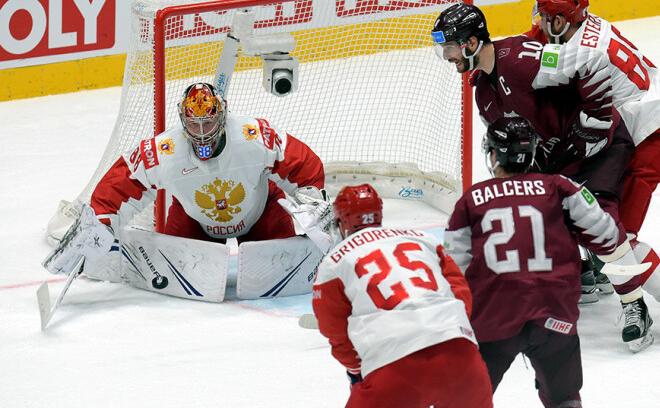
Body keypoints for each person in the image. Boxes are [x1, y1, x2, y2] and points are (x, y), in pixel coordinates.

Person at [431, 2, 653, 350]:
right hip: (561, 160)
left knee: (604, 223)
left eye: (449, 47)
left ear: (471, 43)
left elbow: (591, 62)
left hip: (599, 150)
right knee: (535, 217)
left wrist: (591, 125)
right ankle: (583, 271)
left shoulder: (521, 58)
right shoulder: (484, 93)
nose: (445, 56)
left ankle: (634, 304)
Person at [443, 117, 650, 408]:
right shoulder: (561, 188)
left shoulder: (472, 199)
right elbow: (607, 235)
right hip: (555, 316)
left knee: (463, 402)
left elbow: (453, 269)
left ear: (492, 154)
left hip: (493, 319)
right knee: (565, 399)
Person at [44, 82, 325, 292]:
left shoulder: (253, 135)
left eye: (209, 122)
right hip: (193, 219)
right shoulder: (165, 150)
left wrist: (313, 204)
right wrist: (99, 223)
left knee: (280, 278)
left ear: (223, 116)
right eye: (194, 124)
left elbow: (302, 163)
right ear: (182, 120)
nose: (202, 132)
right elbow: (122, 184)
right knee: (172, 285)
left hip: (261, 212)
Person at [526, 0, 660, 304]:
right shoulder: (580, 25)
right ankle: (586, 266)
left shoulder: (581, 52)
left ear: (561, 19)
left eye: (545, 16)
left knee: (618, 235)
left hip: (648, 137)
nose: (539, 22)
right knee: (577, 194)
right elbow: (535, 45)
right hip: (636, 118)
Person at [304, 184, 493, 408]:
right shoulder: (424, 239)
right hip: (461, 356)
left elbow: (335, 329)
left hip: (395, 367)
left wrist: (358, 369)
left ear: (340, 221)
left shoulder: (333, 262)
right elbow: (461, 293)